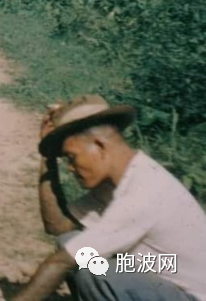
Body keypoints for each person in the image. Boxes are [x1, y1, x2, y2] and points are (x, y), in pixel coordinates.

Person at [12, 94, 206, 301]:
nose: (70, 168)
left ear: (99, 146)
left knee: (89, 265)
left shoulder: (145, 190)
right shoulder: (122, 179)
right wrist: (48, 155)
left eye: (71, 157)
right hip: (164, 272)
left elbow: (60, 262)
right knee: (73, 244)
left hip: (189, 295)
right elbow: (58, 226)